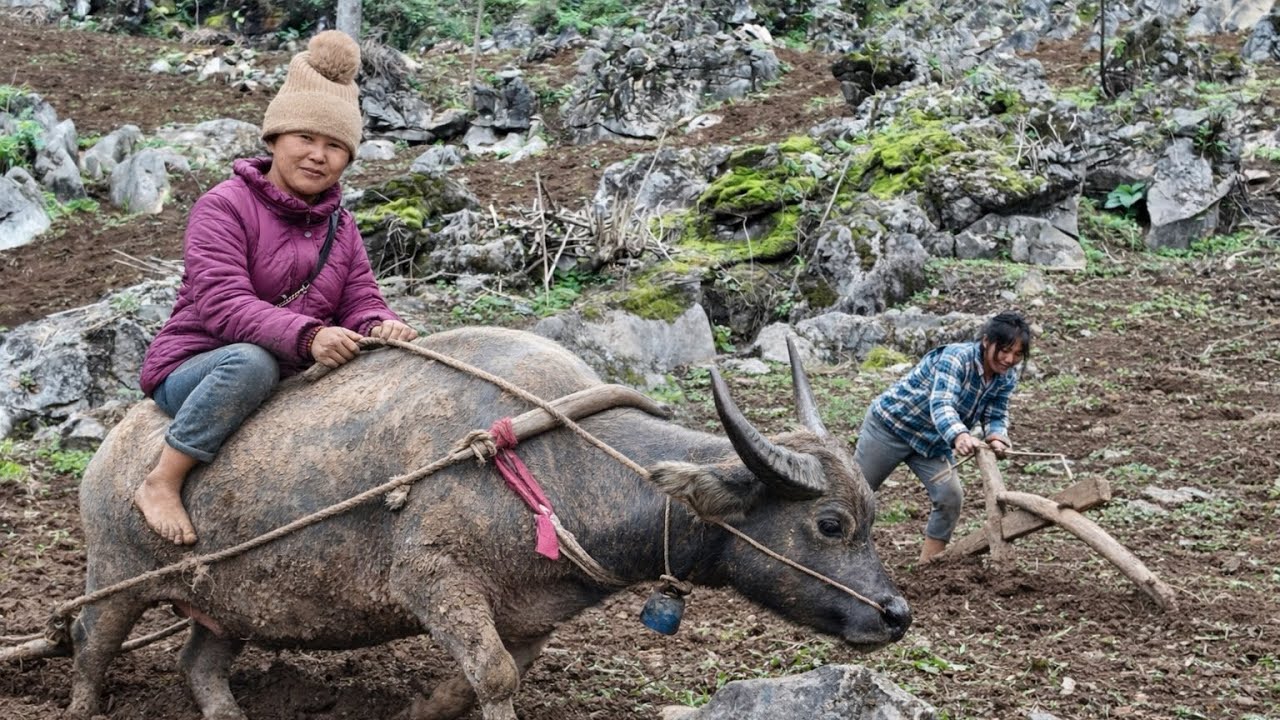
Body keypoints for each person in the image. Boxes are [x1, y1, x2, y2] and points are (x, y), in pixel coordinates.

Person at [134, 31, 417, 546]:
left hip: (292, 366)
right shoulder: (223, 206)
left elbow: (359, 296)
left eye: (334, 146)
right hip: (202, 364)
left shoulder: (341, 225)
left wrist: (379, 324)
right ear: (274, 139)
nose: (318, 155)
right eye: (305, 138)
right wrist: (309, 337)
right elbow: (223, 305)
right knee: (250, 362)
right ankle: (163, 479)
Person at [853, 311, 1032, 563]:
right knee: (856, 494)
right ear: (986, 341)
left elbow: (997, 411)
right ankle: (832, 554)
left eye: (1017, 355)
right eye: (1004, 350)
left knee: (950, 497)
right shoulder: (955, 358)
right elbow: (942, 404)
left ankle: (929, 569)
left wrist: (997, 437)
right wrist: (959, 434)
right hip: (892, 427)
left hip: (933, 443)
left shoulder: (1006, 377)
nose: (1008, 359)